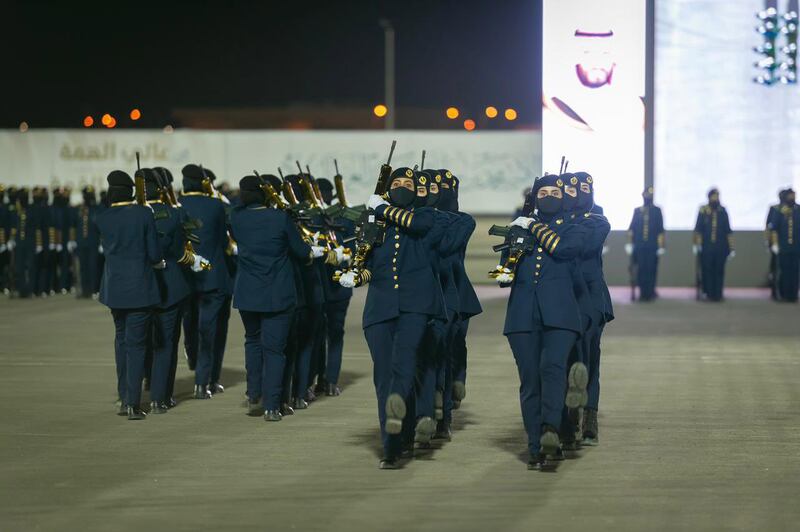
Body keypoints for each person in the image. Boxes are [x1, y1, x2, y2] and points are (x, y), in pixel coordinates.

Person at [339, 167, 443, 469]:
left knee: (405, 363)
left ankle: (401, 427)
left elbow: (415, 225)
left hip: (415, 306)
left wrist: (382, 207)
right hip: (380, 306)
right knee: (384, 375)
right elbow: (370, 263)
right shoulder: (373, 220)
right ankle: (392, 443)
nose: (400, 187)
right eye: (395, 183)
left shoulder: (427, 216)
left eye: (406, 184)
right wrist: (356, 276)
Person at [497, 173, 588, 470]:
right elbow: (503, 274)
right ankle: (535, 445)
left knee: (552, 370)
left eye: (554, 192)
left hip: (560, 314)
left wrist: (532, 225)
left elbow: (564, 249)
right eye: (543, 192)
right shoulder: (519, 227)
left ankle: (551, 431)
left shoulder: (575, 225)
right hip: (523, 314)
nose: (548, 196)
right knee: (530, 381)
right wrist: (508, 261)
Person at [231, 175, 318, 421]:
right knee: (275, 351)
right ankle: (272, 405)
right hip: (277, 293)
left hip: (248, 293)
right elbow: (302, 252)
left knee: (253, 342)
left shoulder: (237, 218)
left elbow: (237, 208)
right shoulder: (280, 219)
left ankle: (253, 393)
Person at [96, 170, 164, 420]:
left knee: (121, 342)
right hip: (140, 288)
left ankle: (124, 397)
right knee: (136, 346)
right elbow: (155, 255)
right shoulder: (144, 213)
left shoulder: (102, 217)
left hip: (114, 288)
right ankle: (133, 403)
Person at [565, 171, 613, 446]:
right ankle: (569, 416)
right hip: (563, 297)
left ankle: (590, 416)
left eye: (583, 188)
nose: (578, 194)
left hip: (591, 298)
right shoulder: (557, 220)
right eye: (573, 189)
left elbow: (584, 246)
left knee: (589, 359)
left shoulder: (597, 218)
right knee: (568, 358)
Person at [180, 164, 235, 399]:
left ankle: (192, 356)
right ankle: (206, 381)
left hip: (185, 276)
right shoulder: (216, 205)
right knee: (213, 330)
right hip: (213, 276)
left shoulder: (177, 205)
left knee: (190, 324)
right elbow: (225, 241)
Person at [316, 177, 355, 396]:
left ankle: (319, 378)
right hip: (340, 286)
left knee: (318, 335)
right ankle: (330, 381)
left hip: (319, 285)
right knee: (335, 334)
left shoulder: (313, 217)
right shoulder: (347, 217)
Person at [693, 188, 734, 302]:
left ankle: (718, 294)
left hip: (721, 247)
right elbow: (698, 229)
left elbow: (728, 230)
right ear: (709, 197)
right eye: (713, 196)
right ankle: (708, 293)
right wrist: (697, 244)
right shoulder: (703, 210)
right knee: (707, 271)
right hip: (706, 247)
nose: (715, 199)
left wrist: (731, 247)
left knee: (719, 271)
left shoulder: (723, 211)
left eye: (717, 196)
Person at [626, 187, 665, 301]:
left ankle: (651, 291)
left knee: (652, 269)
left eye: (650, 195)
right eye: (646, 195)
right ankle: (643, 292)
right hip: (639, 245)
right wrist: (629, 244)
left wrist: (661, 246)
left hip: (653, 246)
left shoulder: (657, 210)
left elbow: (660, 230)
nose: (648, 197)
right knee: (641, 269)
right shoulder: (637, 211)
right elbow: (631, 229)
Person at [768, 188, 800, 302]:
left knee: (795, 272)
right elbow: (774, 229)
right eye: (790, 196)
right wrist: (775, 244)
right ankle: (784, 294)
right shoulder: (779, 211)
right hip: (784, 247)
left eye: (794, 196)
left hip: (796, 247)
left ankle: (794, 294)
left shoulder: (798, 209)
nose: (792, 198)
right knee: (784, 271)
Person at [75, 186, 102, 298]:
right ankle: (85, 290)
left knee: (93, 267)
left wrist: (101, 242)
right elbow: (76, 226)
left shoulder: (97, 209)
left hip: (93, 243)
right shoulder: (80, 209)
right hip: (82, 243)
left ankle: (94, 289)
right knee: (83, 267)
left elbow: (100, 226)